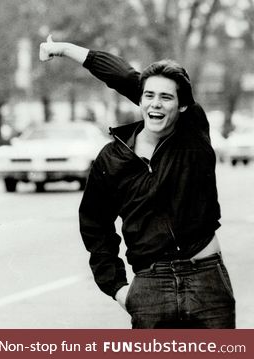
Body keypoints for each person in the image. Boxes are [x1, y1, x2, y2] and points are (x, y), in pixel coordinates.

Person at [39, 35, 235, 328]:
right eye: (149, 95)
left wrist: (67, 50)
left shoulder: (192, 136)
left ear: (182, 106)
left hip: (206, 280)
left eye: (166, 97)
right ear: (140, 100)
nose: (156, 104)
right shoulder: (112, 158)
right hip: (150, 287)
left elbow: (125, 77)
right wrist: (117, 288)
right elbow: (94, 226)